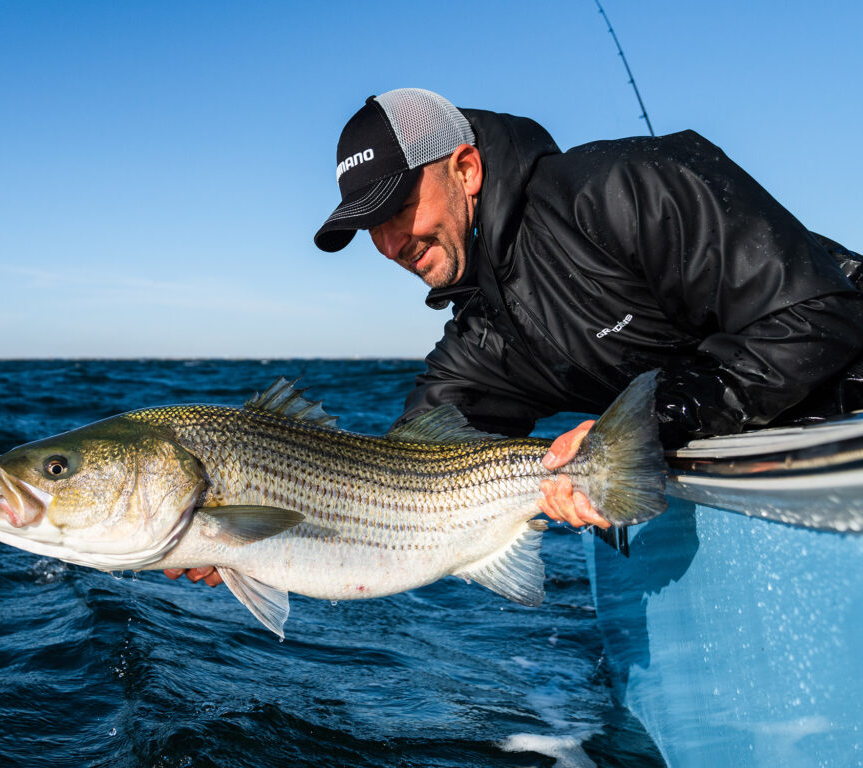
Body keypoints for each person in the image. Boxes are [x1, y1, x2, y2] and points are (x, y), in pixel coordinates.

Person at [167, 87, 863, 587]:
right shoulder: (487, 334)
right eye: (366, 225)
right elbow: (406, 473)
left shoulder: (626, 187)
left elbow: (818, 318)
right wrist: (245, 540)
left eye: (398, 206)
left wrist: (656, 419)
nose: (389, 242)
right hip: (762, 454)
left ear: (465, 169)